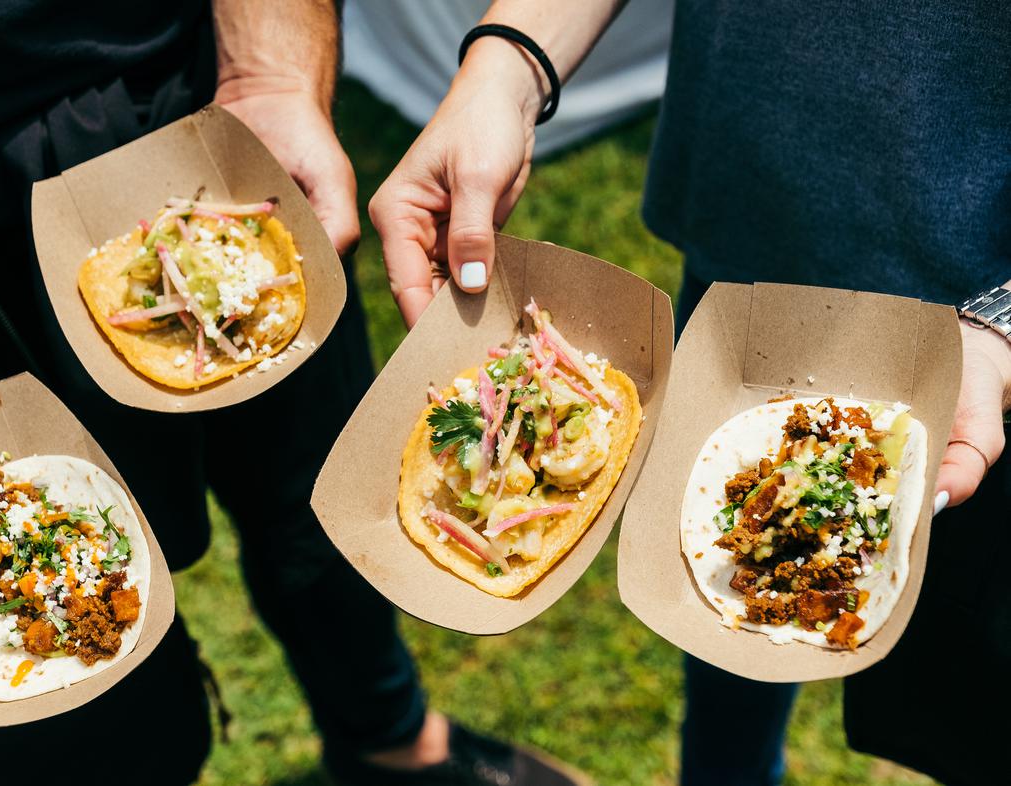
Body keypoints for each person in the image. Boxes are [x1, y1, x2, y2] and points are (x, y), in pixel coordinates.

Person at [0, 2, 582, 785]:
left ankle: (391, 741)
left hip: (199, 132)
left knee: (329, 509)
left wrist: (272, 70)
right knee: (74, 697)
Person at [370, 1, 1011, 784]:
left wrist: (1006, 317)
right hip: (744, 250)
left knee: (963, 703)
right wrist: (505, 68)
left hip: (972, 334)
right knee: (723, 627)